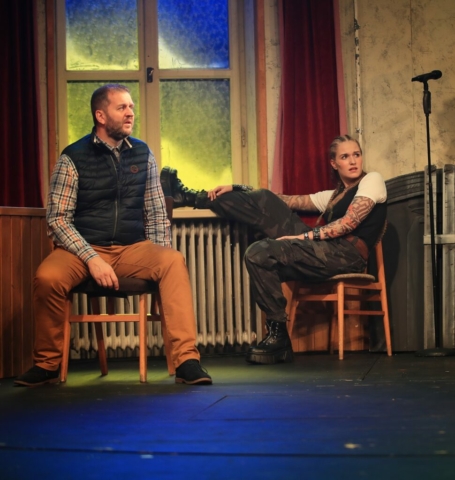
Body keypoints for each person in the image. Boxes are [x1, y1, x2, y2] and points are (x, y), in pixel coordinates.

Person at [15, 84, 212, 387]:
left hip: (132, 248)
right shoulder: (72, 157)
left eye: (131, 107)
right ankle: (47, 364)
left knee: (172, 261)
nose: (130, 113)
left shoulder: (143, 153)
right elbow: (57, 219)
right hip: (81, 250)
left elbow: (156, 212)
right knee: (47, 278)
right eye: (122, 108)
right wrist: (92, 258)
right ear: (101, 116)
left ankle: (187, 361)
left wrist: (159, 263)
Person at [160, 134, 387, 365]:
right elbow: (281, 201)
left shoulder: (372, 180)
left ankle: (277, 336)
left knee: (258, 252)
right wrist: (236, 188)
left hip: (347, 255)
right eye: (345, 157)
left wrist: (302, 237)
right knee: (264, 203)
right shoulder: (333, 197)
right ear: (334, 163)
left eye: (356, 155)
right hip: (324, 249)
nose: (353, 161)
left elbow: (349, 223)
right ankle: (186, 197)